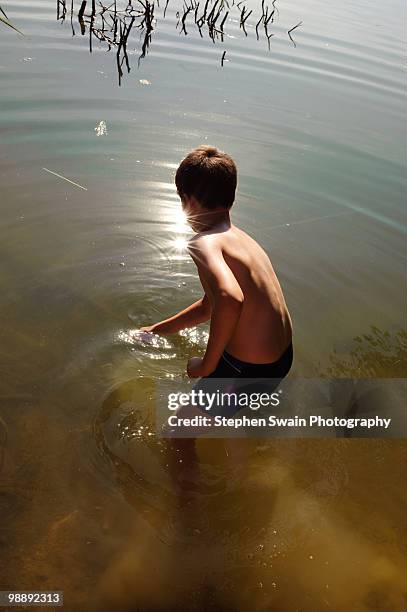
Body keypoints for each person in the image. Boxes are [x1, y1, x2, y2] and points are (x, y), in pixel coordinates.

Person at [141, 145, 293, 390]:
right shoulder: (243, 240)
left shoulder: (204, 243)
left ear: (187, 200)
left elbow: (230, 298)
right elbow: (209, 306)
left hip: (244, 368)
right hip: (281, 359)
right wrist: (156, 330)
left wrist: (206, 366)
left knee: (176, 429)